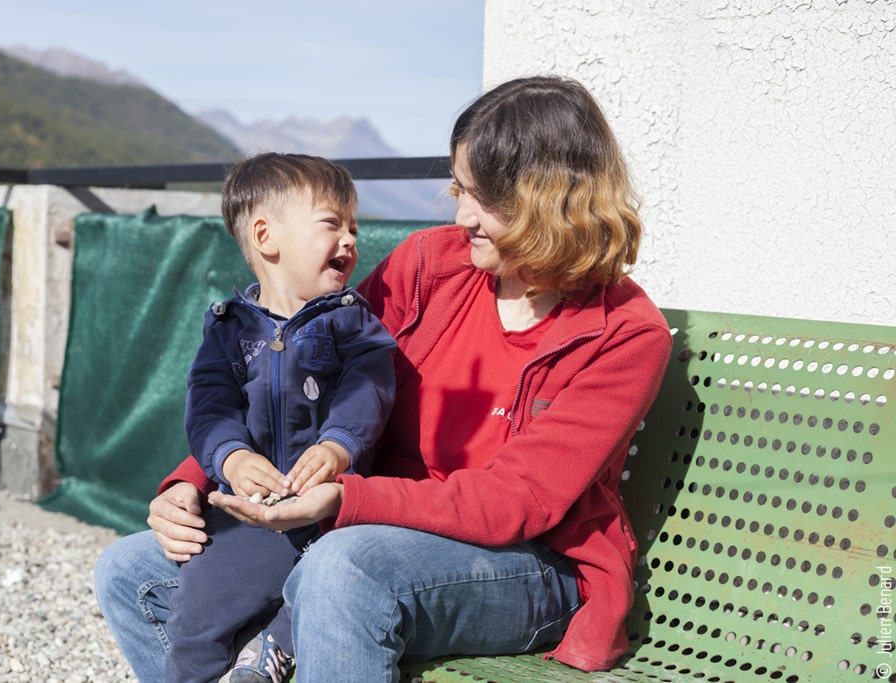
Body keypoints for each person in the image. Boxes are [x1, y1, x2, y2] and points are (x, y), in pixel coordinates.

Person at [94, 75, 673, 683]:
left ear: (552, 199)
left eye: (486, 199)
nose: (463, 216)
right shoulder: (430, 263)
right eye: (459, 189)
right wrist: (198, 478)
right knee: (130, 568)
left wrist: (348, 499)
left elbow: (517, 503)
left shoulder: (624, 336)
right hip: (374, 523)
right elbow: (307, 375)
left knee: (345, 569)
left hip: (530, 563)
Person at [164, 152, 397, 682]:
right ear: (266, 237)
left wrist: (338, 445)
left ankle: (270, 648)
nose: (350, 241)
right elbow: (208, 405)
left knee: (322, 599)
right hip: (254, 512)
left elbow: (372, 388)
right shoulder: (227, 330)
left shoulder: (352, 321)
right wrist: (232, 456)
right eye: (332, 224)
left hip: (335, 512)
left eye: (354, 228)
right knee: (197, 616)